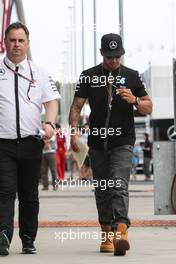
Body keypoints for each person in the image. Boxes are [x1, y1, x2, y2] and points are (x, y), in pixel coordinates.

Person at [69, 33, 152, 256]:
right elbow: (76, 106)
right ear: (101, 54)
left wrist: (134, 100)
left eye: (117, 56)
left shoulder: (132, 76)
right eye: (109, 56)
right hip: (97, 143)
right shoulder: (88, 76)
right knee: (103, 190)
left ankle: (122, 231)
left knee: (118, 184)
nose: (114, 60)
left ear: (121, 53)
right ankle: (106, 231)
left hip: (123, 141)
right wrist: (74, 133)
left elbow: (148, 106)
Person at [0, 22, 60, 256]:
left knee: (28, 194)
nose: (16, 44)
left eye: (21, 40)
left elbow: (52, 101)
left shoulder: (39, 72)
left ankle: (28, 239)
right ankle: (3, 235)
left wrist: (50, 123)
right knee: (4, 192)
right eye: (12, 40)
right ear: (5, 42)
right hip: (2, 144)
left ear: (27, 43)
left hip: (30, 143)